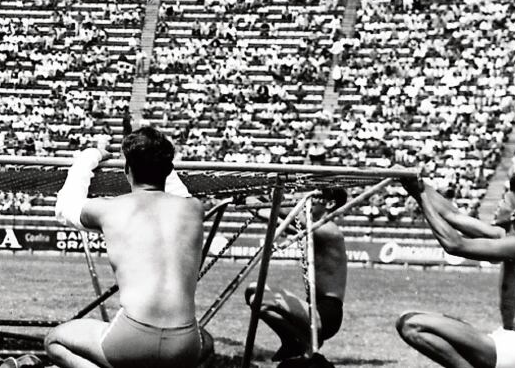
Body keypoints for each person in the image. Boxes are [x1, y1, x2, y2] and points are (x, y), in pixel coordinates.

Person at [45, 126, 213, 368]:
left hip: (131, 340)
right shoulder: (194, 208)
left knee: (55, 340)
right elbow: (173, 185)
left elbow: (64, 207)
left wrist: (92, 154)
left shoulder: (109, 209)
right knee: (205, 341)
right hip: (184, 344)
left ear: (127, 170)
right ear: (167, 169)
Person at [397, 175, 515, 368]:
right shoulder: (508, 238)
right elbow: (453, 216)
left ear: (514, 215)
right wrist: (417, 186)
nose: (498, 205)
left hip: (513, 351)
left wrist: (421, 197)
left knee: (411, 324)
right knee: (412, 321)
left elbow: (454, 244)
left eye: (503, 201)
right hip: (506, 341)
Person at [244, 187, 348, 361]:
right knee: (255, 297)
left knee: (258, 292)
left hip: (327, 314)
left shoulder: (330, 230)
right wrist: (256, 201)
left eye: (312, 197)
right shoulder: (313, 228)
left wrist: (251, 200)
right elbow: (275, 218)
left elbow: (286, 214)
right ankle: (292, 341)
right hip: (315, 307)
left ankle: (303, 342)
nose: (304, 200)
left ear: (329, 204)